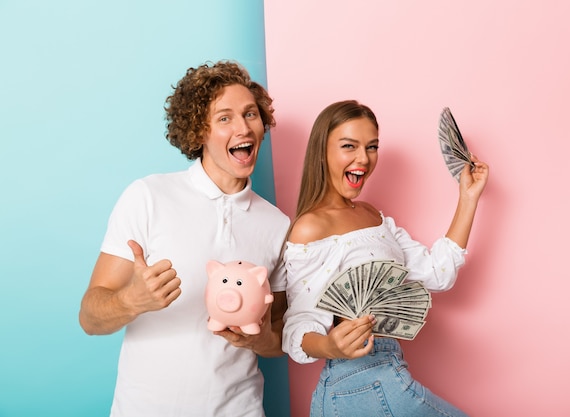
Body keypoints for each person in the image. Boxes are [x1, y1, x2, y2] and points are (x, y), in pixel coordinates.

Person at [78, 61, 290, 417]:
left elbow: (280, 337)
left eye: (250, 114)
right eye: (224, 117)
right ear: (198, 131)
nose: (243, 127)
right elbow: (89, 317)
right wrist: (132, 300)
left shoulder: (277, 224)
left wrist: (261, 339)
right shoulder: (148, 196)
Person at [281, 100, 489, 416]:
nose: (363, 159)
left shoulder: (373, 217)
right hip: (357, 378)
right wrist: (330, 346)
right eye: (349, 146)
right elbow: (298, 325)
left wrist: (468, 197)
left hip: (385, 369)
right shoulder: (312, 226)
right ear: (322, 151)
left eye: (372, 147)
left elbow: (438, 273)